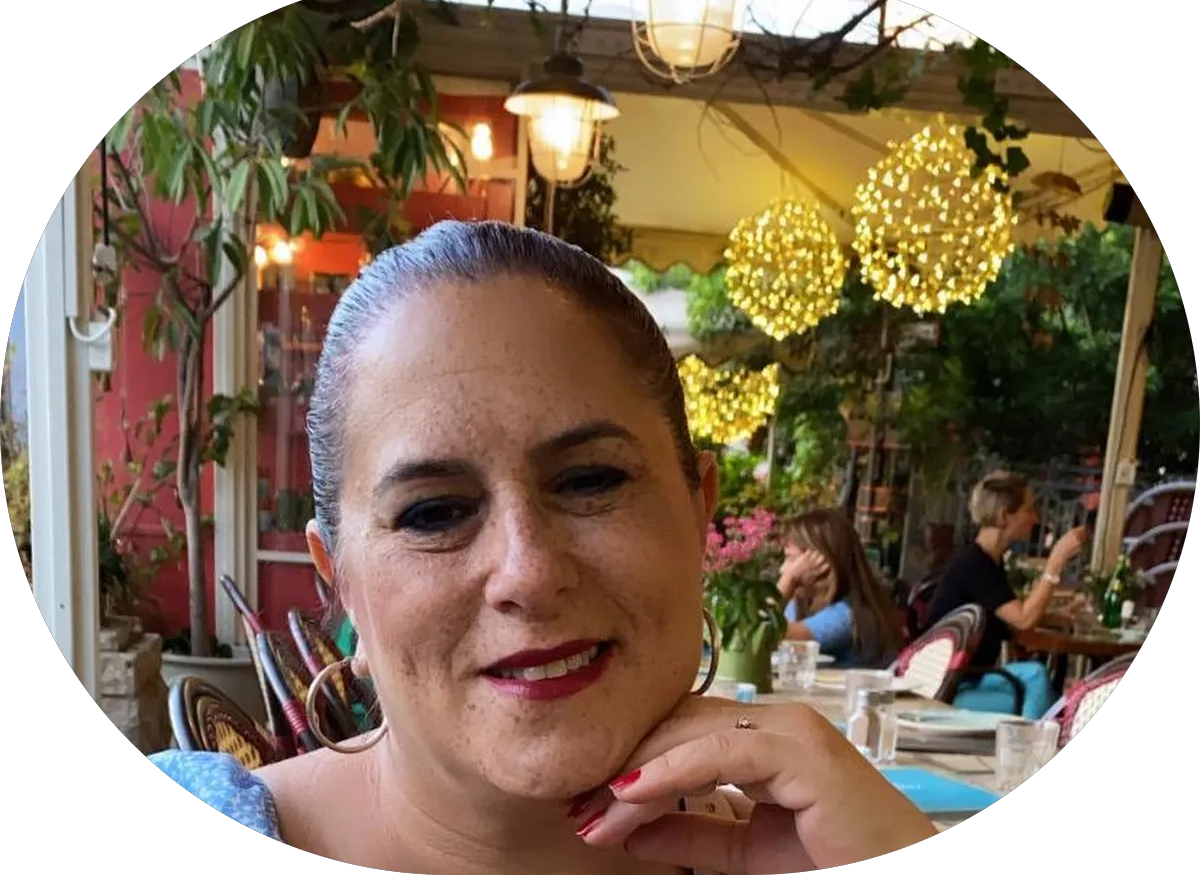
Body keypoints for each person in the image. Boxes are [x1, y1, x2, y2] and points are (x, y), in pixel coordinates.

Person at [149, 221, 936, 873]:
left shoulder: (824, 847)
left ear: (699, 512)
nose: (528, 571)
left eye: (591, 480)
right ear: (341, 581)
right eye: (432, 513)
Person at [923, 470, 1087, 718]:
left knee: (1039, 680)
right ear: (1003, 516)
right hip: (947, 689)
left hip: (966, 678)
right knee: (1037, 680)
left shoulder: (988, 560)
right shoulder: (974, 565)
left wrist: (1055, 616)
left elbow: (1008, 618)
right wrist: (1056, 561)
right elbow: (1023, 619)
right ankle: (1036, 739)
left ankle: (1043, 733)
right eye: (1028, 509)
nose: (1035, 518)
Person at [776, 509, 905, 668]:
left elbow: (760, 634)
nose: (782, 569)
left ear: (820, 562)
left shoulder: (847, 615)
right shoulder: (800, 603)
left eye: (791, 559)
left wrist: (789, 580)